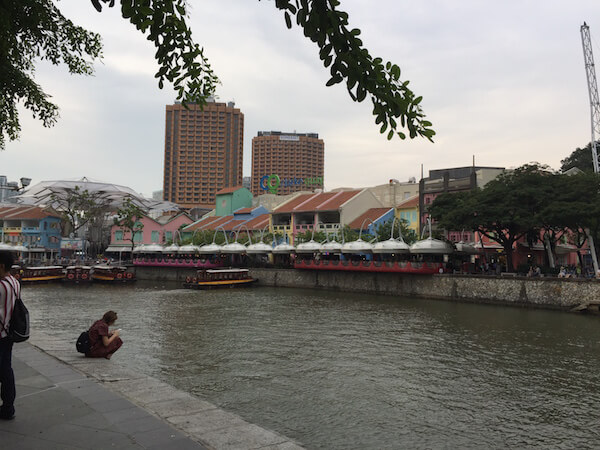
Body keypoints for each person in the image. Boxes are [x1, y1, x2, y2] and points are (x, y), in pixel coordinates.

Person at [0, 251, 19, 420]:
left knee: (4, 371)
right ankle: (8, 407)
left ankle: (7, 408)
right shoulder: (14, 282)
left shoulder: (0, 286)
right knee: (6, 370)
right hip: (9, 334)